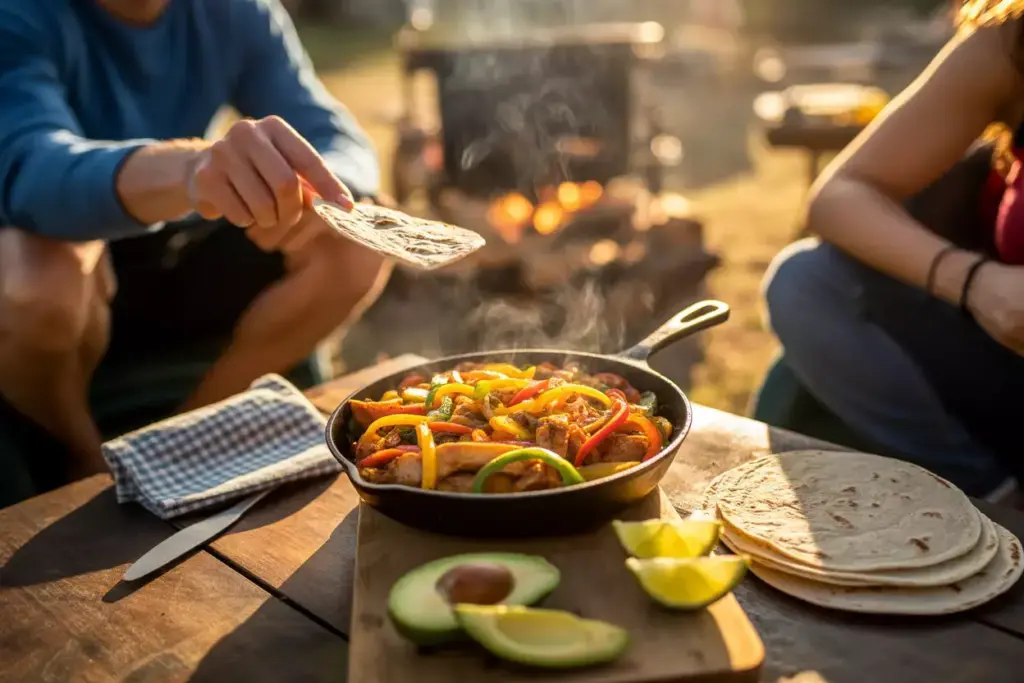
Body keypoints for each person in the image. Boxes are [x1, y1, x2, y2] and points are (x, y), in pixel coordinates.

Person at [0, 0, 390, 506]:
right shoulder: (21, 15)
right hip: (67, 256)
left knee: (351, 246)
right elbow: (30, 169)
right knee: (40, 281)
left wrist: (331, 196)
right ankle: (84, 458)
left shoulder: (236, 10)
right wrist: (188, 170)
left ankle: (182, 437)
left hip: (181, 243)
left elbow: (333, 134)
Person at [760, 0, 1024, 501]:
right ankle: (992, 499)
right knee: (807, 283)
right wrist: (977, 284)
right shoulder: (1010, 40)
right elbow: (839, 196)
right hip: (1004, 364)